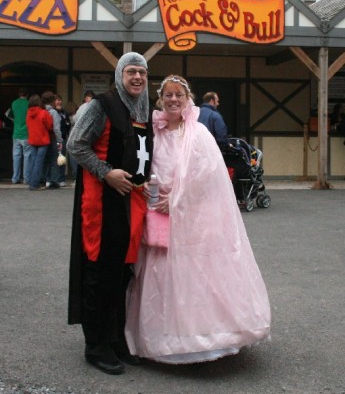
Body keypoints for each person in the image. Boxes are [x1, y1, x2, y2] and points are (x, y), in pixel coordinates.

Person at [125, 75, 271, 364]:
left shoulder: (199, 133)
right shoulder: (154, 132)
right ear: (160, 98)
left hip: (193, 217)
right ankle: (165, 338)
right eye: (168, 95)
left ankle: (204, 335)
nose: (173, 100)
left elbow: (209, 175)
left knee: (196, 274)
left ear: (187, 98)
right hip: (158, 209)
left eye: (179, 95)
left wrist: (178, 197)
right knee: (161, 273)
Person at [67, 52, 154, 375]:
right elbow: (76, 145)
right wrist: (106, 172)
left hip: (132, 205)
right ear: (120, 74)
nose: (137, 78)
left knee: (121, 275)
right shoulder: (100, 106)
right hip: (102, 203)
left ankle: (116, 338)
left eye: (142, 73)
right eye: (131, 72)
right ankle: (96, 345)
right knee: (100, 273)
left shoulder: (144, 108)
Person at [26, 94, 53, 190]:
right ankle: (34, 184)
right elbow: (49, 126)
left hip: (32, 140)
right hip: (43, 140)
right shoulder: (43, 112)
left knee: (33, 162)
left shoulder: (28, 113)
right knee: (39, 162)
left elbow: (28, 126)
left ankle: (31, 181)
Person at [41, 91, 63, 189]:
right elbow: (56, 128)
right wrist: (60, 140)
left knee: (44, 160)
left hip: (42, 138)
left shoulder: (40, 110)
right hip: (52, 137)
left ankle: (44, 179)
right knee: (54, 160)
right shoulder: (53, 112)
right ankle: (54, 181)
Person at [10, 87, 31, 184]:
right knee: (27, 156)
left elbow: (10, 116)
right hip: (26, 133)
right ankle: (26, 178)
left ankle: (15, 178)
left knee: (16, 156)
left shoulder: (14, 103)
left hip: (16, 133)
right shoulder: (28, 104)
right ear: (27, 95)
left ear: (19, 94)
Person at [55, 95, 72, 187]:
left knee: (61, 160)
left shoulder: (64, 112)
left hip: (63, 138)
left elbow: (68, 123)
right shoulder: (53, 112)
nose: (59, 102)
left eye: (60, 100)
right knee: (54, 159)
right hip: (54, 139)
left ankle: (61, 179)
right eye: (57, 100)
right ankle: (54, 178)